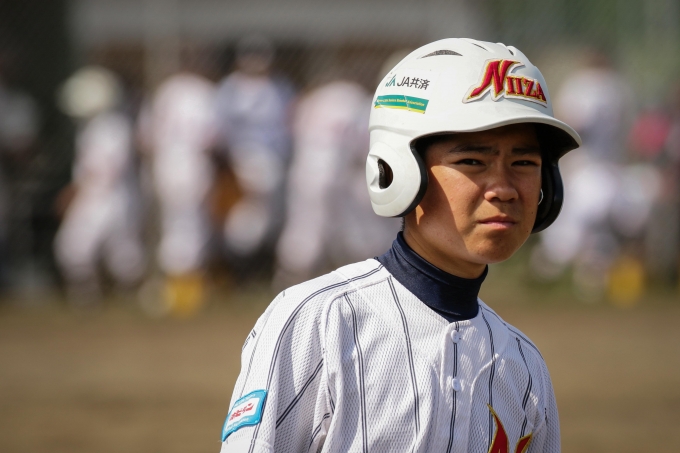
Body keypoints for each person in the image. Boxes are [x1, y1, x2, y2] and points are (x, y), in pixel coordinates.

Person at [219, 38, 581, 453]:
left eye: (524, 163)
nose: (504, 188)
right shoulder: (320, 322)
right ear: (396, 169)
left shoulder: (525, 369)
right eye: (472, 161)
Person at [54, 66, 144, 305]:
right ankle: (90, 296)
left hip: (105, 196)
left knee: (85, 248)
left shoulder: (111, 127)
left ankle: (115, 296)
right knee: (86, 249)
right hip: (102, 195)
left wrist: (74, 192)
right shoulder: (97, 126)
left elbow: (103, 170)